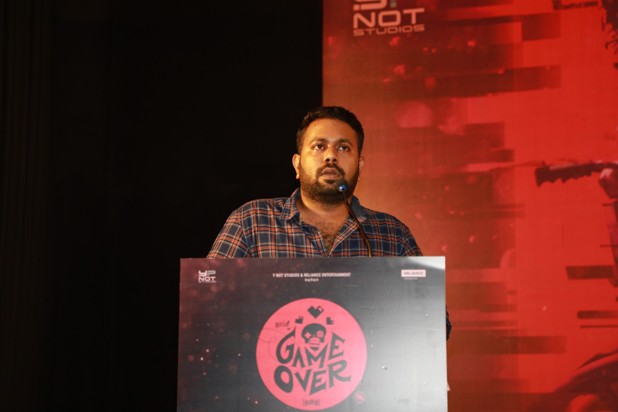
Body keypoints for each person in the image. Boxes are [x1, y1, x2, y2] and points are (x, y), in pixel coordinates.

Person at [207, 105, 451, 339]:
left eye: (343, 148)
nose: (331, 156)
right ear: (297, 164)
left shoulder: (391, 234)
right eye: (319, 146)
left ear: (360, 165)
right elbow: (206, 304)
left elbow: (437, 325)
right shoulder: (251, 221)